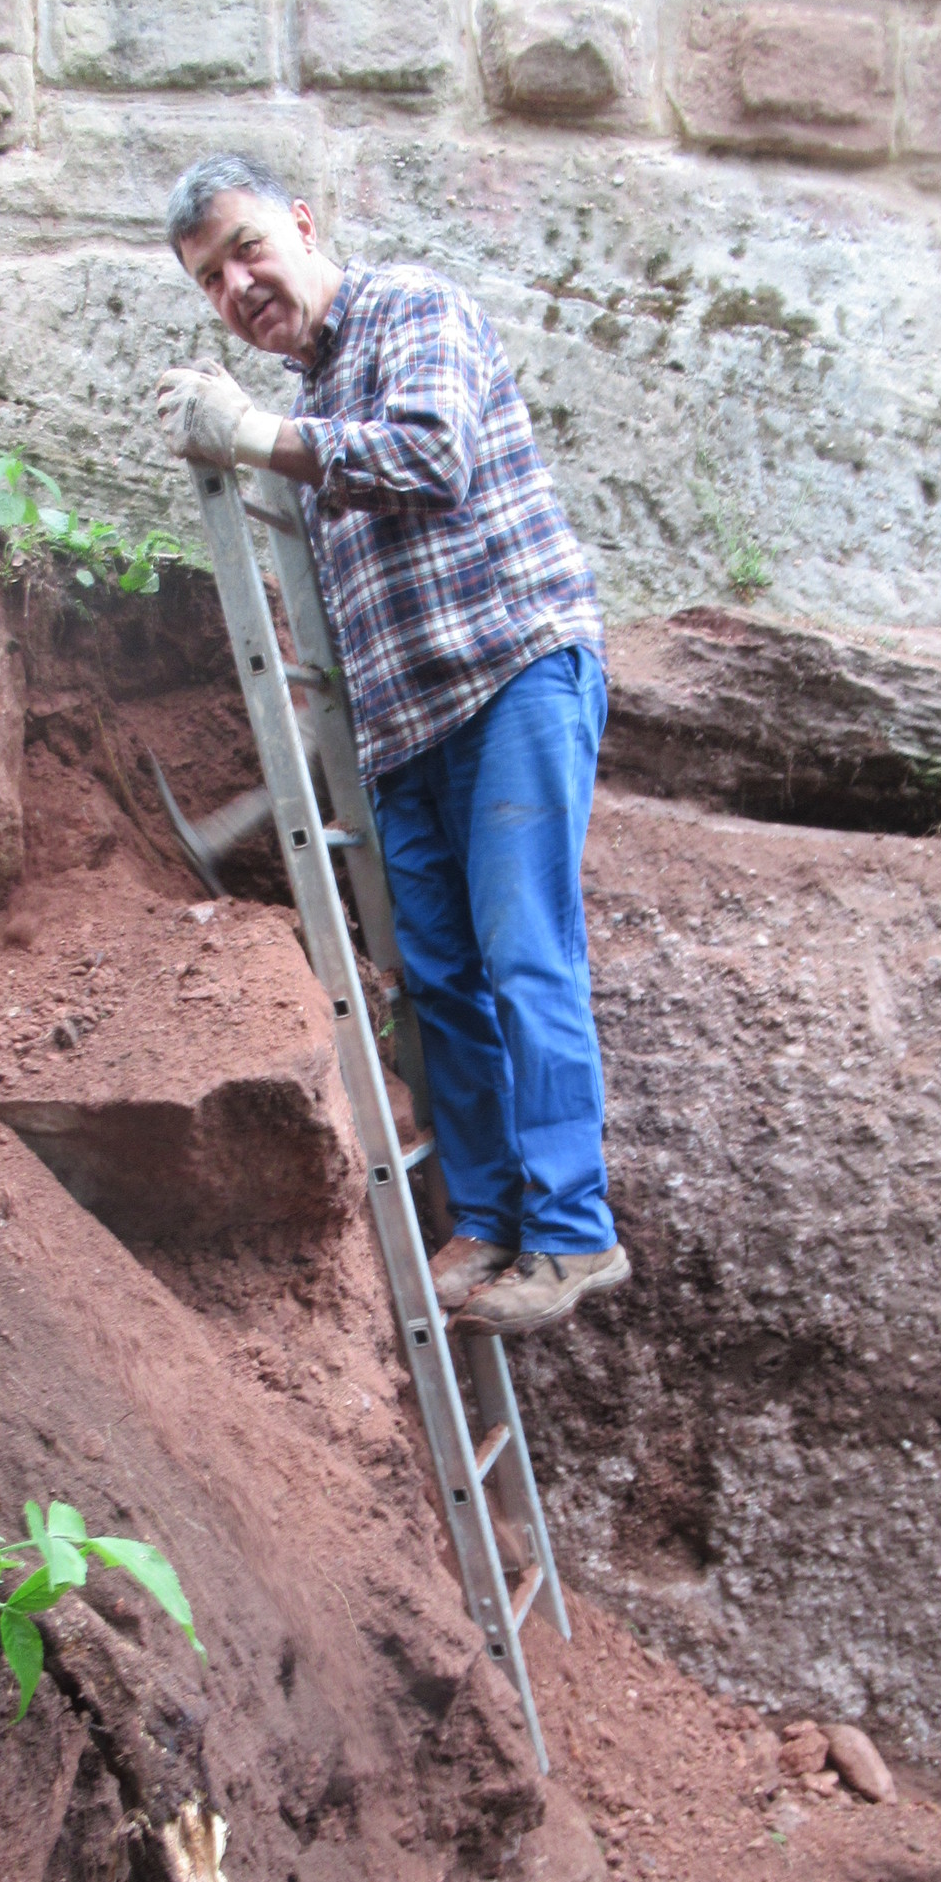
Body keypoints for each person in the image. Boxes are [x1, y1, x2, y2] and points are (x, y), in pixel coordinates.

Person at [154, 153, 627, 1338]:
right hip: (405, 729)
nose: (238, 287)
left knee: (524, 955)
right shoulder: (310, 401)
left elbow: (431, 457)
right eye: (211, 279)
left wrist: (254, 433)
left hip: (515, 674)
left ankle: (575, 1232)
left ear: (303, 225)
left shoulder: (413, 310)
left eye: (248, 249)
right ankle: (491, 1219)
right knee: (440, 979)